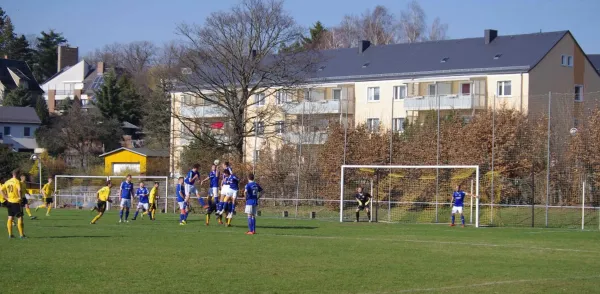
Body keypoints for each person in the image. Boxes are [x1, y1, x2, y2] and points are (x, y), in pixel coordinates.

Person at [1, 170, 26, 239]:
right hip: (16, 202)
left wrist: (6, 197)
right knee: (20, 217)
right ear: (17, 175)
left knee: (10, 217)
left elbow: (1, 190)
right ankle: (21, 235)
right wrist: (20, 198)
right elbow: (19, 190)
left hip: (9, 202)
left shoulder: (7, 181)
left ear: (12, 174)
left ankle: (10, 234)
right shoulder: (17, 181)